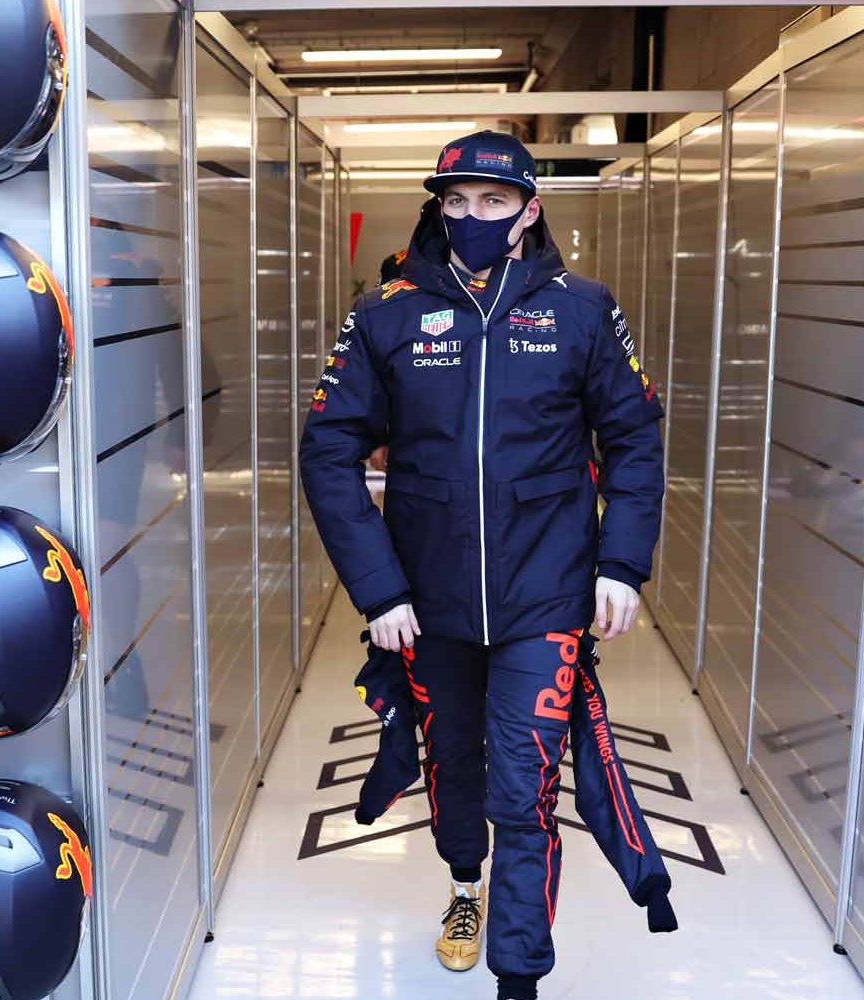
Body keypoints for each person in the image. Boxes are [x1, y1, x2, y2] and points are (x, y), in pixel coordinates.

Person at [299, 131, 668, 1000]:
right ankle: (465, 885)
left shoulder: (581, 309)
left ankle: (519, 973)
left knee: (525, 786)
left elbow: (633, 440)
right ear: (438, 207)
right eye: (455, 202)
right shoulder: (385, 314)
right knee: (454, 764)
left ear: (529, 210)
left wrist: (622, 562)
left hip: (548, 594)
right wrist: (380, 588)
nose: (470, 217)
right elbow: (328, 451)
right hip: (426, 604)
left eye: (492, 202)